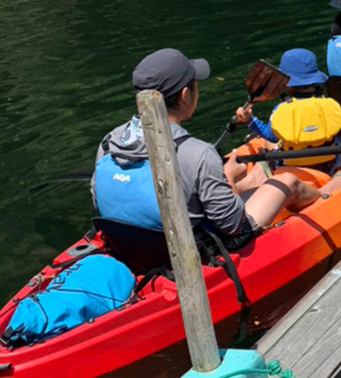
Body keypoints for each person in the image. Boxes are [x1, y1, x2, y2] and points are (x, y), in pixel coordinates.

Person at [91, 48, 320, 239]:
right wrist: (229, 176)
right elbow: (232, 225)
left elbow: (97, 198)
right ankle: (329, 191)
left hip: (131, 242)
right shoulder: (199, 153)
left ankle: (253, 180)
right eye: (196, 86)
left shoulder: (110, 142)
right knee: (288, 182)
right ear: (185, 96)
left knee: (251, 177)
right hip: (192, 249)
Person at [233, 48, 341, 178]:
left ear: (287, 84)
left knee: (268, 143)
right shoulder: (332, 106)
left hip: (293, 169)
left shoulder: (281, 109)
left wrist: (250, 120)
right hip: (330, 167)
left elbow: (270, 136)